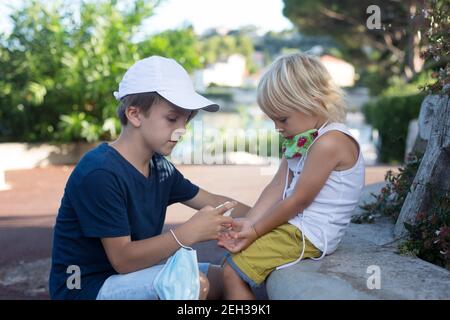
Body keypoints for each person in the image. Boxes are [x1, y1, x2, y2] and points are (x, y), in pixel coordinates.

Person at [49, 56, 250, 300]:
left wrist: (270, 219)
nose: (182, 130)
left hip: (128, 278)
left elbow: (216, 202)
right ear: (135, 114)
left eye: (186, 120)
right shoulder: (100, 172)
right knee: (190, 285)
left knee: (228, 277)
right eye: (172, 118)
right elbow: (123, 260)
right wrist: (188, 233)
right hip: (83, 288)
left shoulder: (160, 168)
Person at [218, 53, 365, 299]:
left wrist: (255, 232)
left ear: (314, 102)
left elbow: (298, 200)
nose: (277, 127)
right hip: (296, 226)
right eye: (272, 119)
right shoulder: (304, 138)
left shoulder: (330, 143)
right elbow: (277, 186)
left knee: (232, 270)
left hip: (311, 234)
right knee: (232, 260)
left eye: (282, 118)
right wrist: (250, 222)